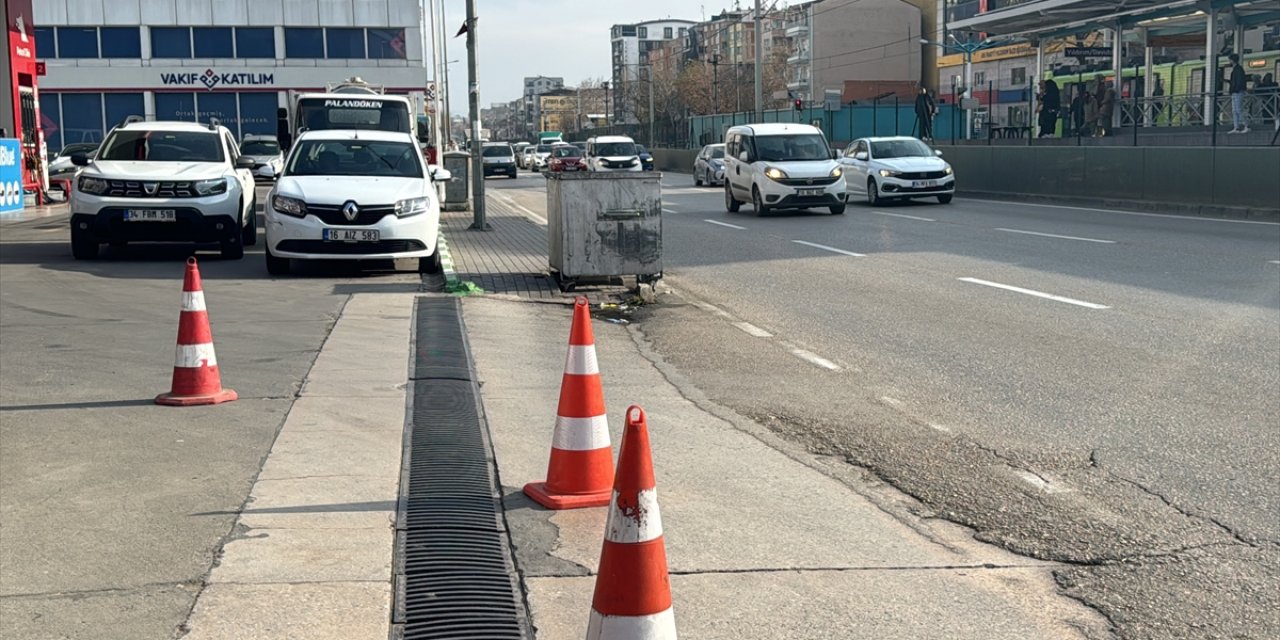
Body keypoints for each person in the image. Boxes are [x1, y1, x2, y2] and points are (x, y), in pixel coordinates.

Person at [1227, 54, 1249, 133]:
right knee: (1235, 110)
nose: (1229, 61)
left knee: (1239, 109)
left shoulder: (1238, 69)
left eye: (1229, 60)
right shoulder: (1237, 69)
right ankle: (1236, 127)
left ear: (1232, 60)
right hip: (1235, 92)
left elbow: (1238, 82)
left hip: (1238, 92)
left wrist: (1234, 89)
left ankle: (1246, 125)